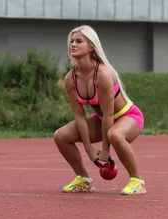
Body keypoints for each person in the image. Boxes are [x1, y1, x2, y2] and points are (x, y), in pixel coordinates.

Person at [54, 25, 146, 195]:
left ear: (91, 47)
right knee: (60, 136)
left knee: (115, 135)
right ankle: (83, 180)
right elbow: (79, 116)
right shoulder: (70, 79)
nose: (73, 44)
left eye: (79, 41)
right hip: (102, 119)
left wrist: (105, 150)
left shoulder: (103, 74)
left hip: (127, 116)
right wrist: (89, 149)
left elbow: (109, 114)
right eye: (72, 41)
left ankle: (137, 180)